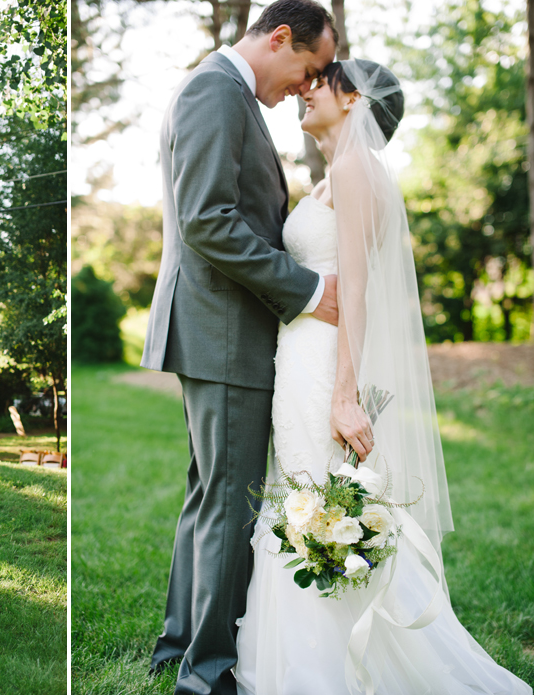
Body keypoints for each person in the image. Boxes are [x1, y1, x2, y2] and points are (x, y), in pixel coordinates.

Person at [233, 58, 532, 695]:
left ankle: (331, 674)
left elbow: (360, 295)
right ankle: (296, 665)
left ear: (355, 98)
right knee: (301, 501)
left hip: (326, 367)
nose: (306, 89)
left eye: (322, 80)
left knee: (318, 505)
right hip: (301, 358)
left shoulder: (355, 172)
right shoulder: (332, 177)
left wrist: (346, 398)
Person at [140, 2, 341, 692]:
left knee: (211, 495)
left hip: (219, 326)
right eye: (305, 70)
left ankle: (179, 647)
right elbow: (208, 221)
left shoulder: (230, 96)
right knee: (230, 499)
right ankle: (206, 673)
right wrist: (310, 290)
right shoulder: (214, 91)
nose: (300, 90)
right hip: (223, 327)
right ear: (281, 37)